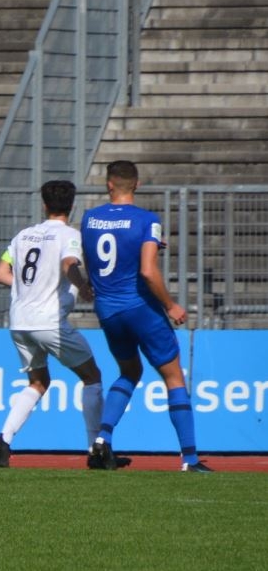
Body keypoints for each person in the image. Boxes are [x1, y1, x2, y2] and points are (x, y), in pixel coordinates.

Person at [81, 161, 209, 472]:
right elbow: (148, 271)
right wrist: (170, 305)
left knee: (128, 371)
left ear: (109, 184)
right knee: (174, 377)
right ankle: (190, 459)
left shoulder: (89, 218)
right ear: (136, 185)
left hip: (107, 308)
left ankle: (102, 439)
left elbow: (90, 258)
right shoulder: (147, 220)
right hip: (140, 307)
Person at [0, 180, 116, 469]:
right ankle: (95, 449)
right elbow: (69, 263)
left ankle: (3, 439)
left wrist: (27, 288)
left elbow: (0, 273)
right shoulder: (70, 235)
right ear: (72, 206)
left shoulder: (23, 235)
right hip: (49, 322)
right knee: (92, 377)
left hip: (19, 322)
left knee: (38, 382)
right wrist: (83, 287)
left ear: (44, 204)